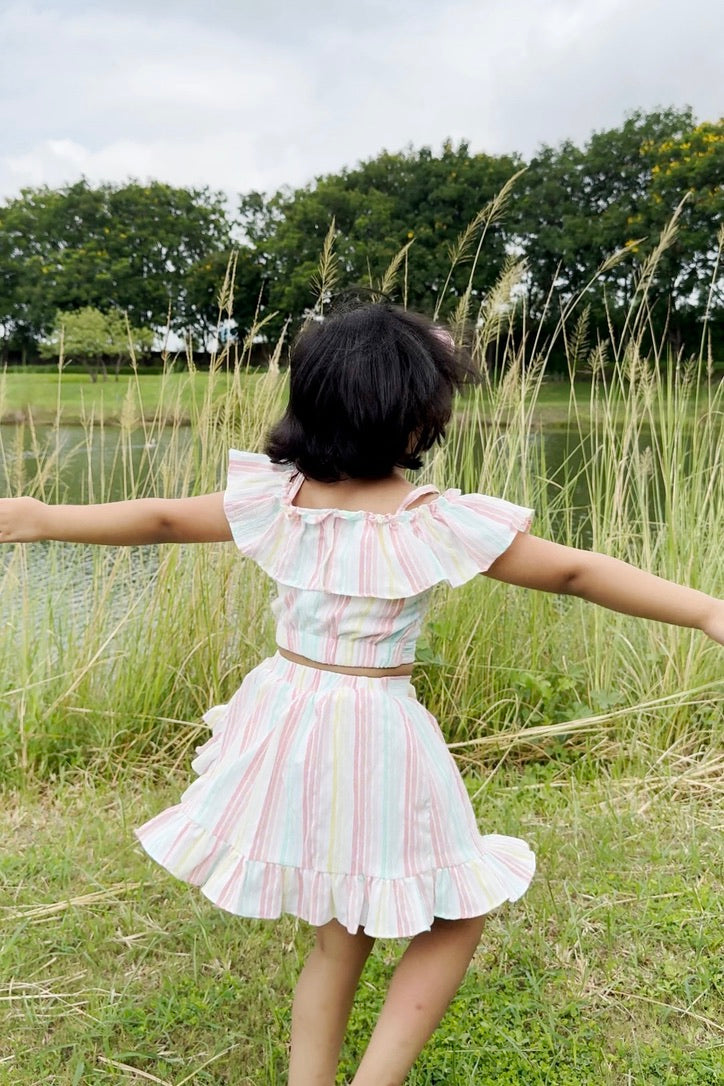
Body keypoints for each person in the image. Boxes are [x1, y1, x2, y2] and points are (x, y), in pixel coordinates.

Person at [1, 298, 722, 1086]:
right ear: (418, 424)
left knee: (338, 935)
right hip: (374, 732)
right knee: (460, 907)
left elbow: (163, 520)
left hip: (287, 721)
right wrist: (707, 610)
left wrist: (41, 516)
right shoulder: (429, 522)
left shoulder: (279, 501)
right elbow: (578, 573)